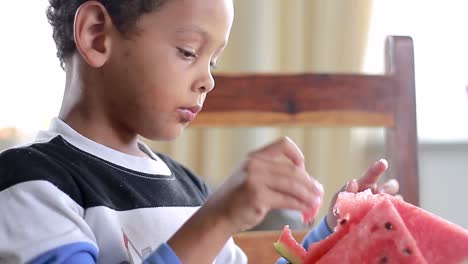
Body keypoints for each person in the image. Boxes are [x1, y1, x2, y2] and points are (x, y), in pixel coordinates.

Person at [0, 0, 398, 263]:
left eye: (214, 62)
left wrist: (331, 236)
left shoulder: (189, 189)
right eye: (189, 51)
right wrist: (217, 219)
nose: (207, 80)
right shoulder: (31, 182)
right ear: (96, 35)